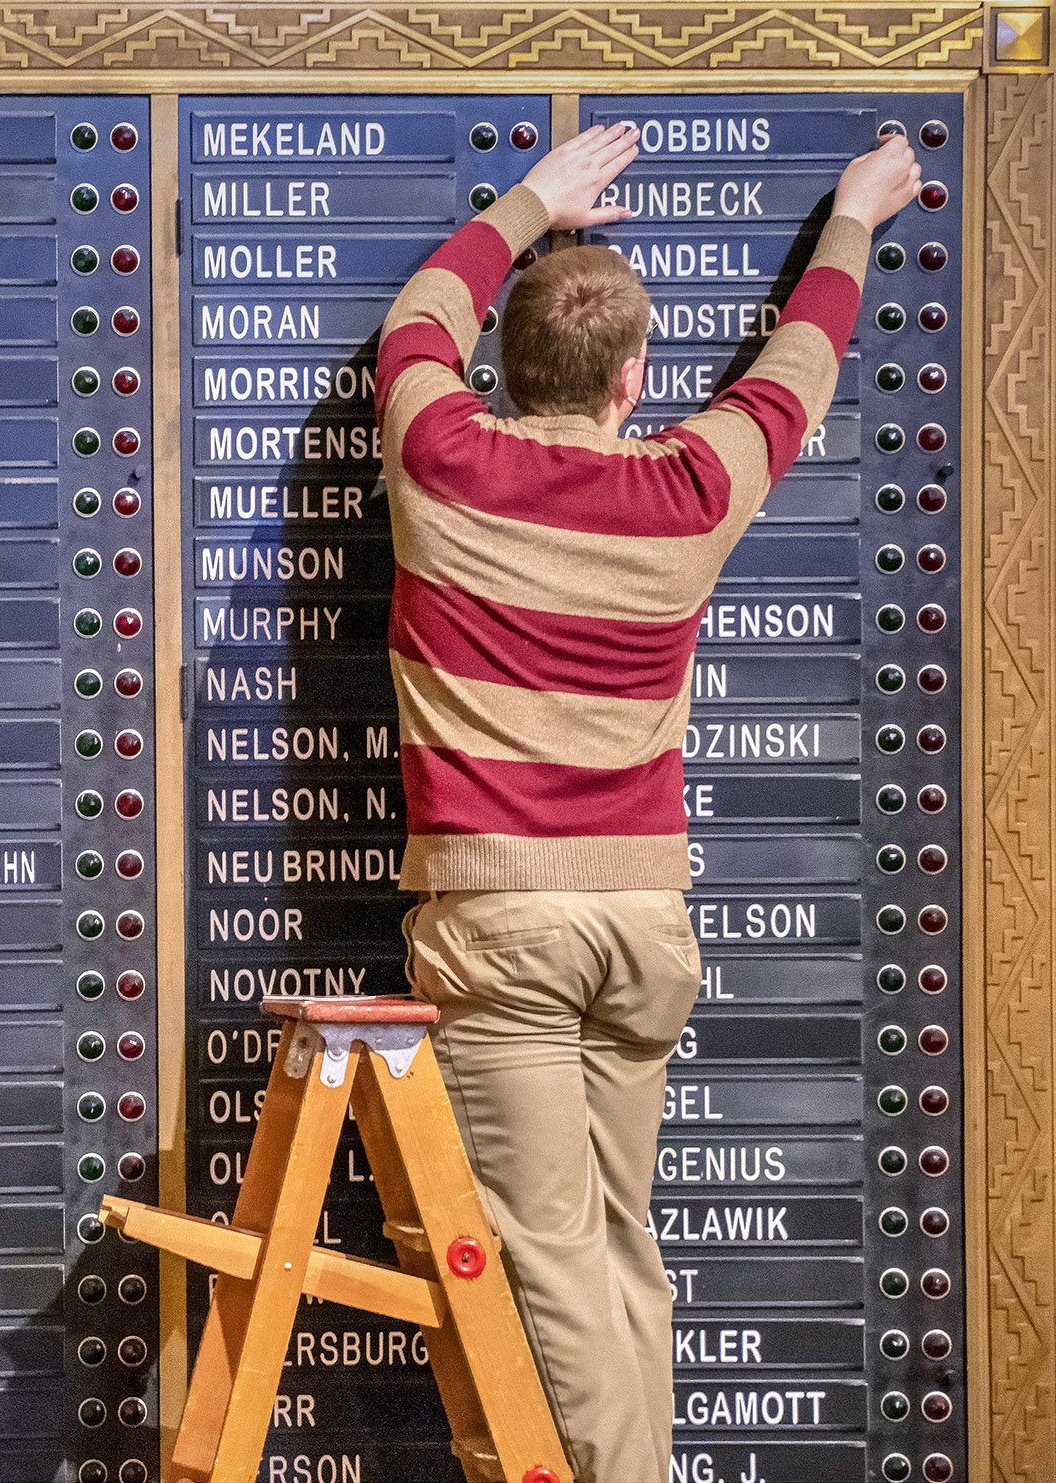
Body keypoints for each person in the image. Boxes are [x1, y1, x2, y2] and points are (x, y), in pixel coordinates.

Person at [376, 124, 923, 1480]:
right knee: (622, 1250)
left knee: (553, 1266)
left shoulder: (446, 460)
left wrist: (531, 203)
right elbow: (798, 370)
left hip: (502, 927)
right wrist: (854, 214)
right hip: (643, 926)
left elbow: (414, 323)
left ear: (505, 372)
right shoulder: (688, 490)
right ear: (634, 382)